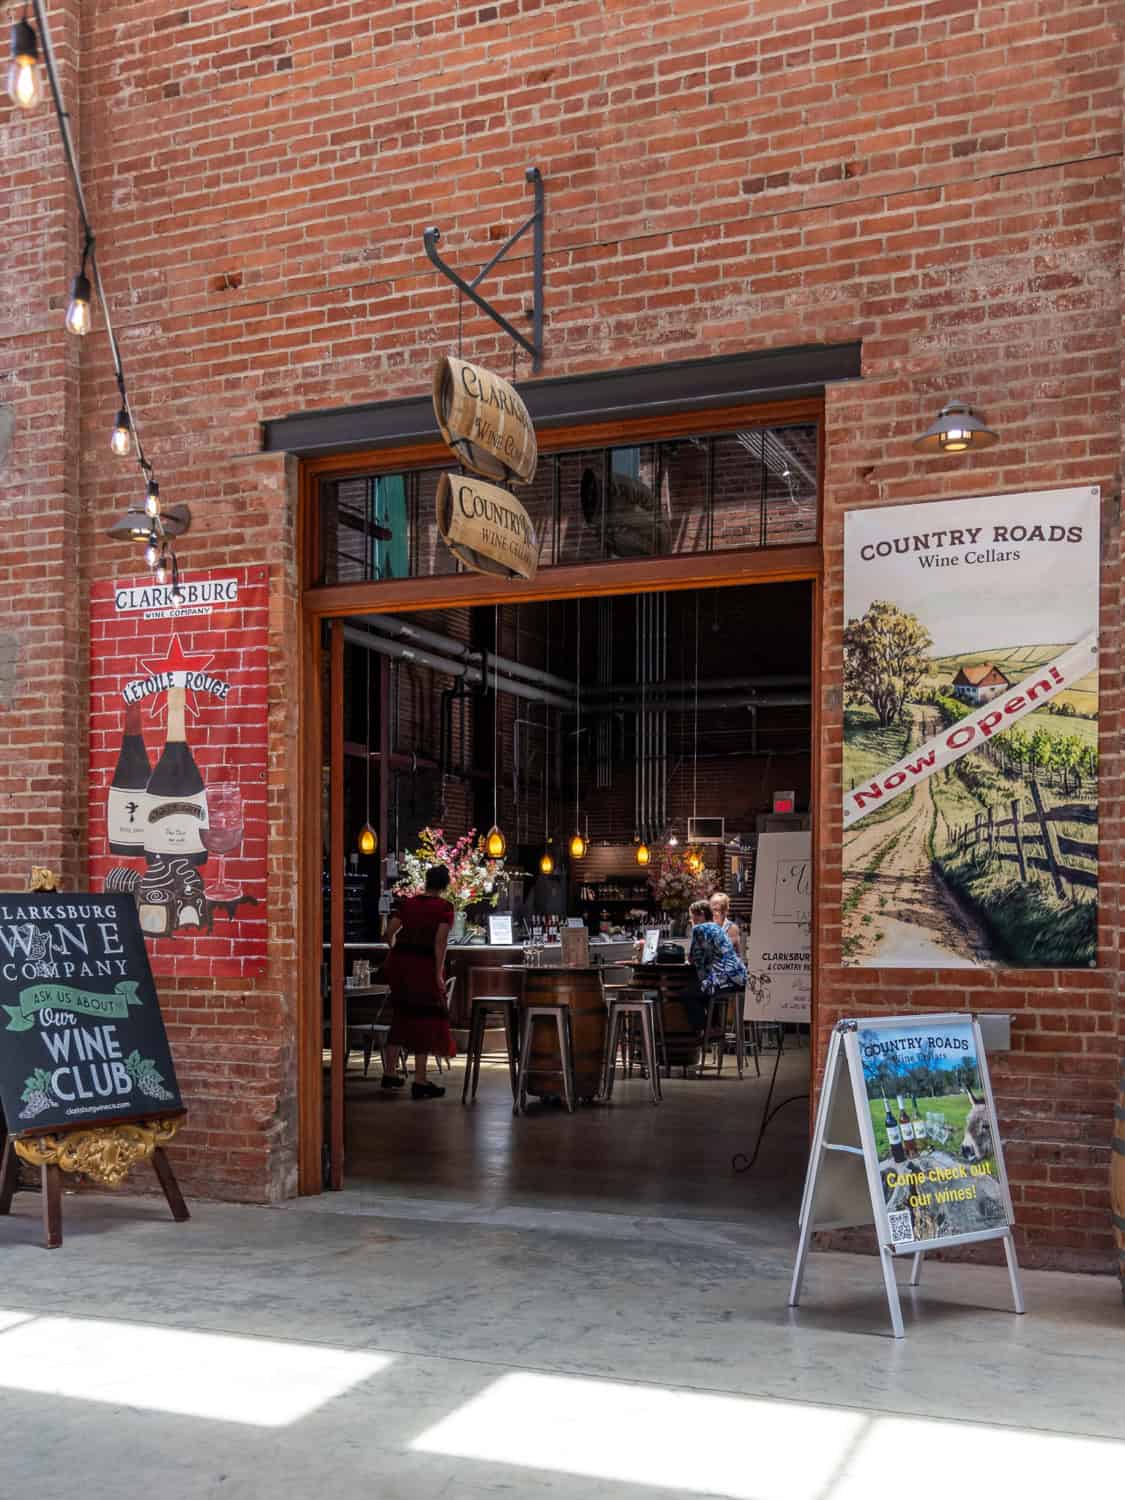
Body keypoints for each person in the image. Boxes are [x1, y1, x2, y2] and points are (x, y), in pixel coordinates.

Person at [380, 865, 456, 1099]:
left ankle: (390, 1073)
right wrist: (437, 973)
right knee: (425, 1018)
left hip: (400, 964)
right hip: (423, 966)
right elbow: (440, 943)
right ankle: (420, 1080)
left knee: (401, 1015)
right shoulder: (444, 908)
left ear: (426, 881)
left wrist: (397, 952)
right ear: (444, 886)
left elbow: (388, 933)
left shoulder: (407, 904)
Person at [683, 898, 748, 1031]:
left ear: (701, 914)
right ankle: (715, 1028)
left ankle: (706, 1031)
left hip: (722, 982)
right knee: (703, 992)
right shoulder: (718, 929)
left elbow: (692, 959)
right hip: (738, 980)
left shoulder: (699, 929)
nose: (691, 921)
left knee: (687, 994)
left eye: (692, 917)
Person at [709, 890, 741, 955]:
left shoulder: (732, 928)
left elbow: (723, 950)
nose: (714, 913)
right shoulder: (708, 926)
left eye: (717, 910)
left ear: (725, 911)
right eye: (711, 910)